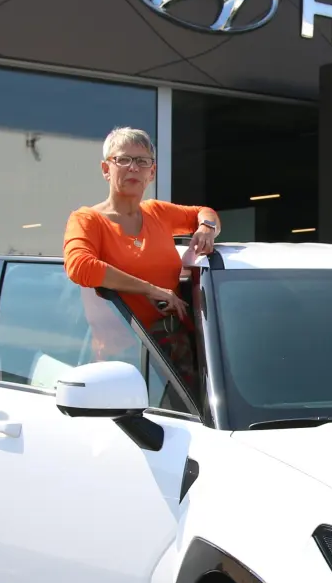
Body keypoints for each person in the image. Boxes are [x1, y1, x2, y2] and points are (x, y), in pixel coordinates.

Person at [63, 126, 218, 388]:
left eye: (142, 161)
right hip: (121, 368)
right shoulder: (87, 219)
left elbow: (205, 211)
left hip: (173, 358)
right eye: (122, 159)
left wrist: (207, 228)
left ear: (152, 172)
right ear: (105, 169)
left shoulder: (157, 212)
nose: (133, 168)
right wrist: (150, 289)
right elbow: (79, 267)